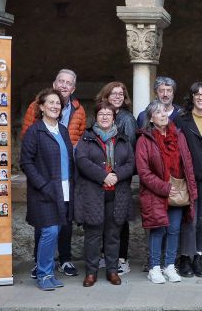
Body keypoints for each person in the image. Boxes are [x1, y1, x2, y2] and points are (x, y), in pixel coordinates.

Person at [136, 99, 198, 284]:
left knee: (174, 230)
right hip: (156, 192)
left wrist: (191, 189)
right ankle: (154, 268)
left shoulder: (178, 136)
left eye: (165, 112)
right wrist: (164, 188)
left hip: (178, 190)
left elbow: (187, 163)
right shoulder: (144, 139)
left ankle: (169, 265)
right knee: (158, 230)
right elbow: (143, 172)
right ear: (151, 118)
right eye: (158, 112)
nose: (163, 115)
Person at [21, 88, 76, 290]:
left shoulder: (62, 130)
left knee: (58, 230)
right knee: (50, 231)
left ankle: (49, 272)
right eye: (50, 103)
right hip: (43, 192)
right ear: (42, 107)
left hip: (64, 189)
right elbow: (26, 162)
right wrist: (42, 184)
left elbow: (68, 159)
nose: (55, 106)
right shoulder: (35, 131)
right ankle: (44, 273)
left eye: (58, 103)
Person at [75, 101, 135, 287]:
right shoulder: (87, 138)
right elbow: (82, 161)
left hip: (117, 195)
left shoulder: (123, 139)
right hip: (94, 193)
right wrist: (103, 176)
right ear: (96, 117)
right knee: (93, 235)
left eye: (108, 114)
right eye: (101, 114)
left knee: (113, 235)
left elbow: (130, 163)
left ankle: (112, 271)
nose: (105, 117)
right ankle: (91, 273)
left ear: (114, 117)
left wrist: (116, 176)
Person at [174, 82, 202, 278]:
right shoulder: (181, 120)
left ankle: (199, 257)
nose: (200, 97)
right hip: (187, 176)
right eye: (196, 94)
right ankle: (185, 257)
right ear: (191, 97)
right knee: (188, 219)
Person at [95, 81, 138, 275]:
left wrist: (116, 174)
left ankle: (121, 258)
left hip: (119, 176)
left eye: (121, 93)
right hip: (103, 176)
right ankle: (107, 255)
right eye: (113, 93)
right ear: (106, 95)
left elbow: (128, 150)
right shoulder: (104, 114)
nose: (118, 96)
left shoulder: (127, 119)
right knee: (106, 216)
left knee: (119, 217)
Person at [21, 69, 86, 146]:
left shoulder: (79, 110)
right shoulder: (36, 105)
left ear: (72, 90)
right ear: (54, 85)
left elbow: (81, 140)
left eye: (68, 83)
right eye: (61, 81)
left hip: (68, 156)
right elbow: (26, 136)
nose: (64, 86)